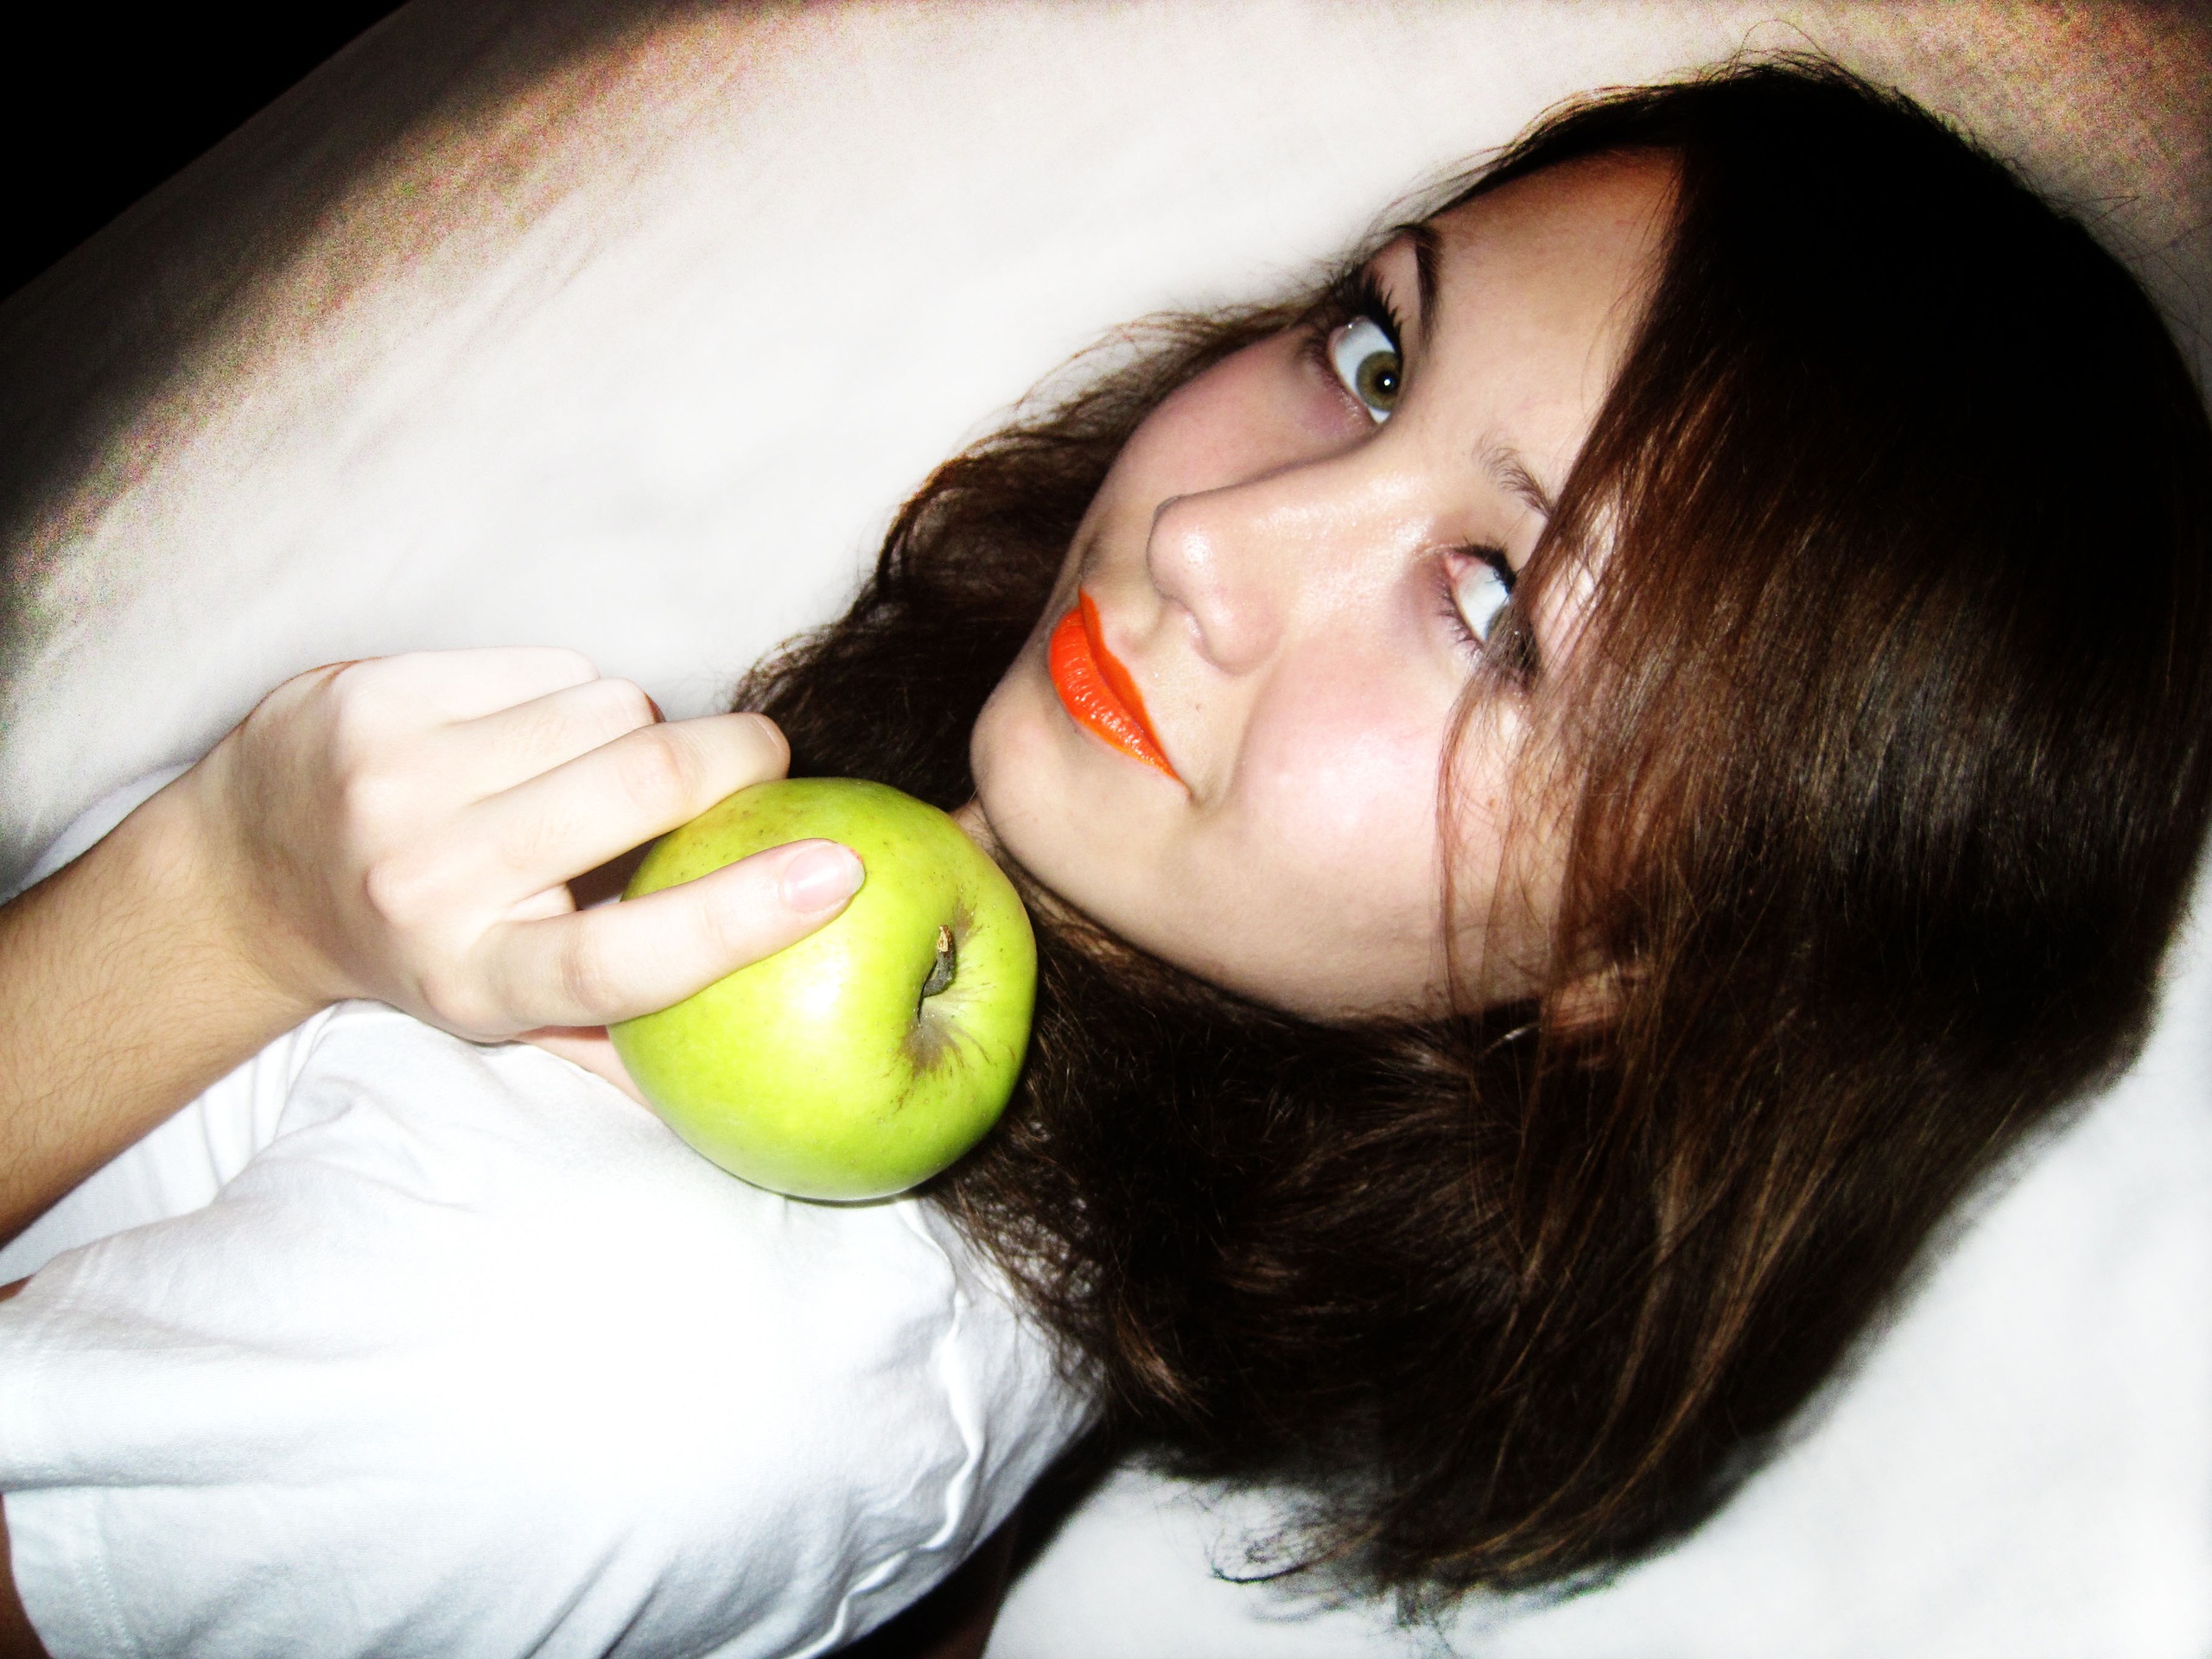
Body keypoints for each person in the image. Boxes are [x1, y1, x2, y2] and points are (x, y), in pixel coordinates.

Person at [3, 53, 2209, 1657]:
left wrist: (217, 911)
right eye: (1369, 359)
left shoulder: (611, 1379)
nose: (1208, 538)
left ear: (1640, 971)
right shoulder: (976, 996)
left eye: (1489, 607)